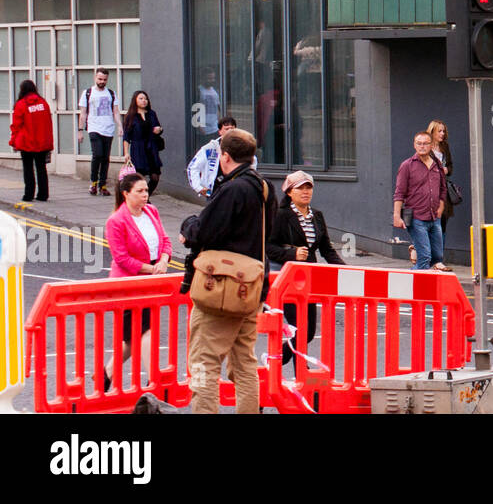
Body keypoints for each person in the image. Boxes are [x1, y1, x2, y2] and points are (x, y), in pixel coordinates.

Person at [180, 128, 270, 415]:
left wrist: (187, 227)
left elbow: (204, 231)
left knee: (204, 362)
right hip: (251, 289)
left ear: (226, 157)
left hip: (219, 289)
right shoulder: (264, 188)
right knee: (244, 363)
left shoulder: (232, 189)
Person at [268, 170, 344, 376]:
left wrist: (344, 270)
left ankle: (274, 360)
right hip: (288, 279)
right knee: (298, 328)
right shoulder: (281, 215)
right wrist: (292, 253)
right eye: (300, 188)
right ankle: (301, 371)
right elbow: (268, 247)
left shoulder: (316, 216)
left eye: (308, 187)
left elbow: (326, 249)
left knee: (308, 331)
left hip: (310, 279)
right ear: (289, 192)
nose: (305, 191)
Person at [102, 173, 172, 393]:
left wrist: (163, 260)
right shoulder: (116, 220)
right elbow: (121, 258)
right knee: (145, 331)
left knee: (133, 338)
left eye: (146, 191)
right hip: (128, 285)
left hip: (151, 282)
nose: (145, 195)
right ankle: (154, 385)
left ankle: (105, 376)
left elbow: (166, 241)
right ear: (126, 194)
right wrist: (153, 269)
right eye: (140, 191)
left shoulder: (152, 211)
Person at [392, 132, 448, 271]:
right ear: (414, 145)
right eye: (419, 143)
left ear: (431, 145)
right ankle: (417, 288)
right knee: (425, 258)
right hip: (417, 218)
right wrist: (396, 216)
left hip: (434, 217)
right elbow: (399, 192)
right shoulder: (407, 165)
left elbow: (443, 188)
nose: (422, 146)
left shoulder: (437, 165)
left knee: (437, 257)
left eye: (425, 143)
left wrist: (441, 207)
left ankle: (412, 280)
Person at [78, 68, 122, 197]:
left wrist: (120, 126)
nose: (102, 82)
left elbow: (115, 111)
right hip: (94, 128)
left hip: (108, 128)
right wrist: (80, 131)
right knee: (97, 155)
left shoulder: (111, 94)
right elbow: (83, 113)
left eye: (104, 80)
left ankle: (102, 185)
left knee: (105, 157)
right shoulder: (87, 93)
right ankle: (93, 182)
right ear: (95, 78)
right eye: (100, 79)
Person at [187, 116, 257, 197]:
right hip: (215, 191)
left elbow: (252, 163)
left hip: (236, 190)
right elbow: (193, 167)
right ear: (220, 131)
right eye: (227, 129)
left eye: (232, 129)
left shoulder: (242, 147)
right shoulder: (210, 148)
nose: (230, 132)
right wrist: (198, 188)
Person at [9, 79, 53, 202]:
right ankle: (43, 195)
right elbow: (48, 123)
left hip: (26, 142)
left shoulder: (21, 104)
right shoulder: (43, 103)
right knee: (41, 168)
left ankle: (28, 195)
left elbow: (16, 126)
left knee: (28, 169)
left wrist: (13, 142)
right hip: (42, 142)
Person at [123, 90, 164, 196]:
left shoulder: (152, 114)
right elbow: (126, 136)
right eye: (141, 98)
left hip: (151, 148)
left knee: (155, 176)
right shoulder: (130, 116)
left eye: (145, 98)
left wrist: (159, 129)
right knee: (139, 177)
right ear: (135, 100)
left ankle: (146, 195)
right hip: (138, 148)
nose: (144, 101)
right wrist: (126, 153)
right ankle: (142, 199)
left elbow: (158, 127)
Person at [427, 119, 456, 236]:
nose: (442, 134)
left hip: (443, 189)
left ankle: (439, 253)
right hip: (430, 191)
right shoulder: (426, 148)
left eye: (444, 131)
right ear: (432, 132)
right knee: (430, 223)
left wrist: (447, 170)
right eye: (439, 131)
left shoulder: (445, 147)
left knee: (442, 223)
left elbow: (450, 165)